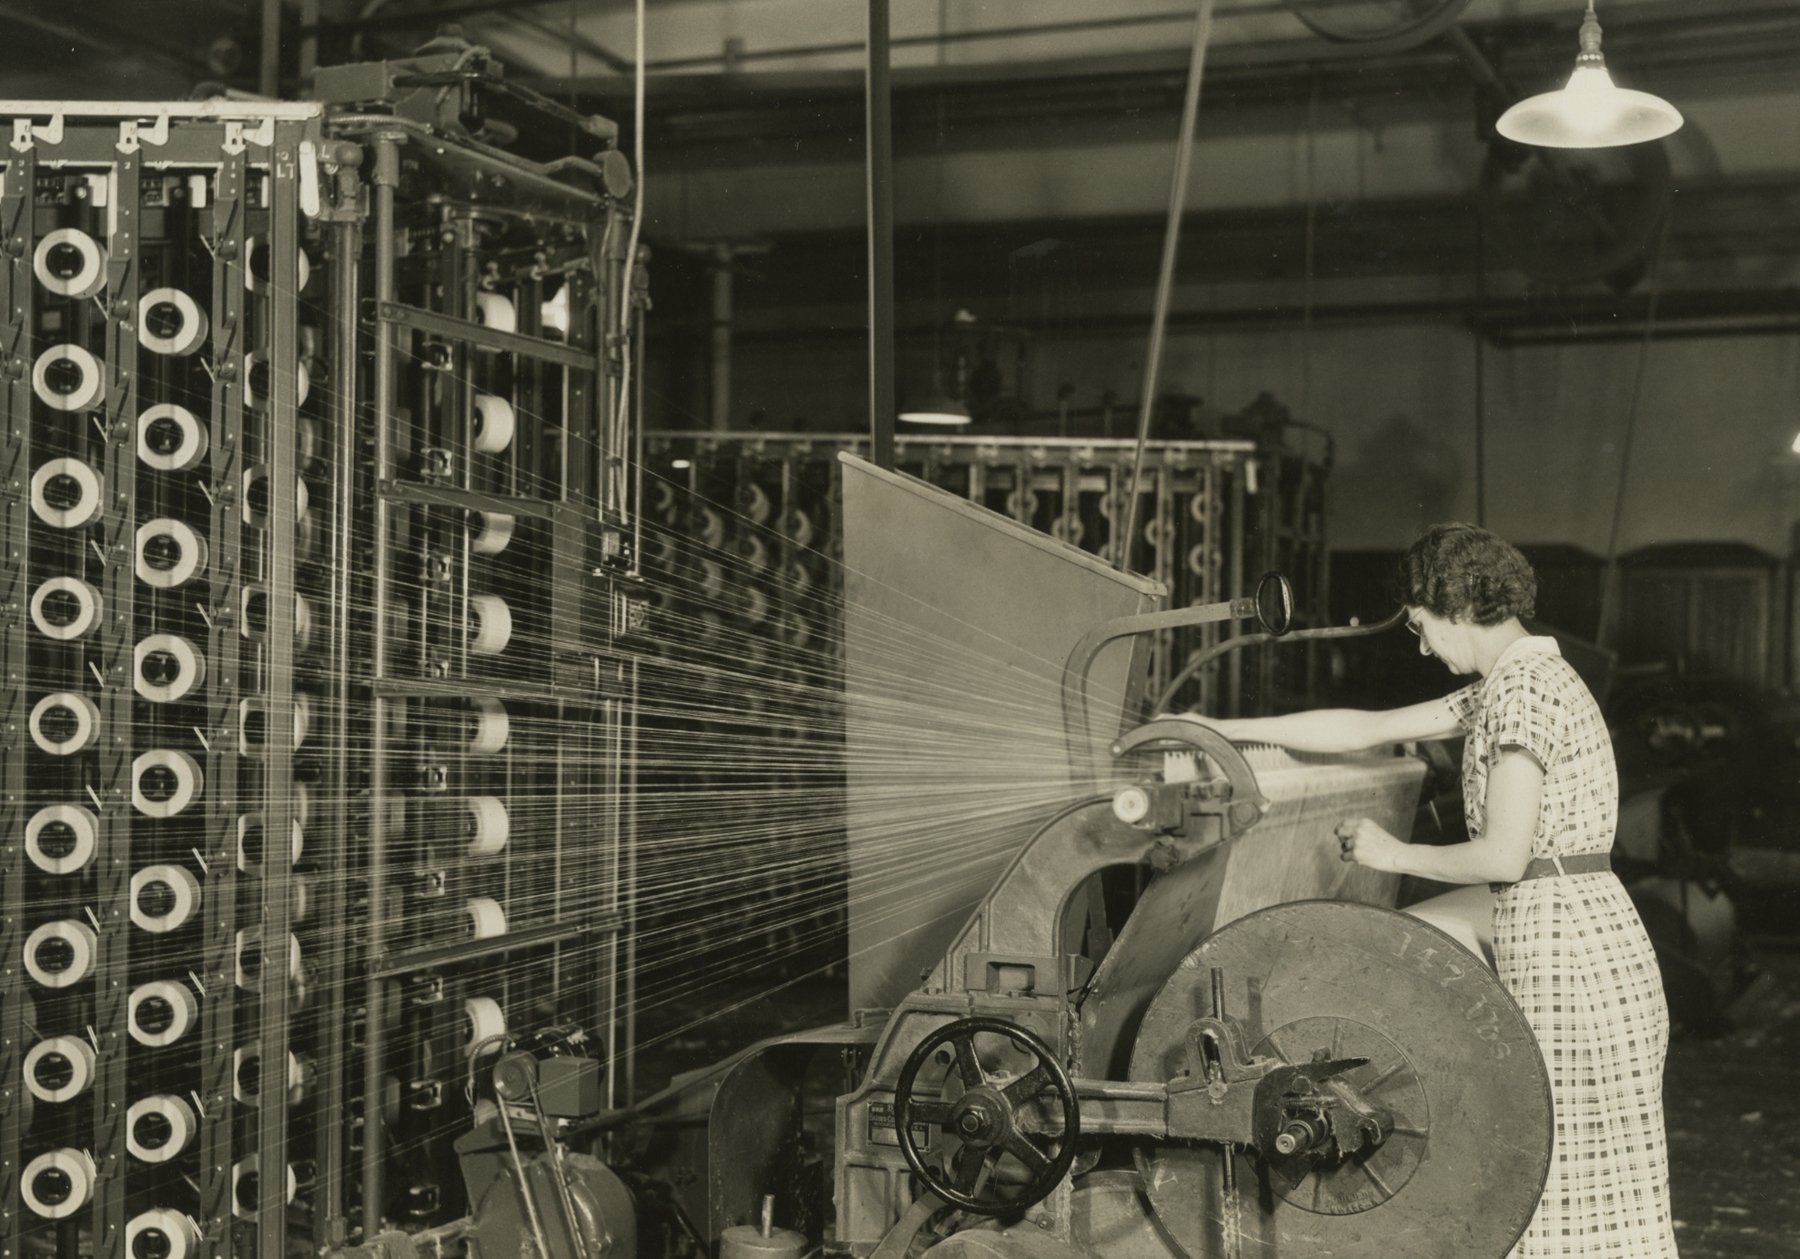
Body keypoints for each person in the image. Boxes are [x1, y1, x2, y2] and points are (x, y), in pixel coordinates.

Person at [1188, 523, 1677, 1259]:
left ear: (1452, 604)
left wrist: (1393, 850)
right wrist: (1218, 727)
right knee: (1577, 1194)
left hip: (1567, 947)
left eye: (1420, 626)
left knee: (1557, 1187)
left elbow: (1506, 855)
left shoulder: (1521, 693)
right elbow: (1372, 727)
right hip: (1577, 931)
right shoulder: (1511, 685)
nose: (1421, 646)